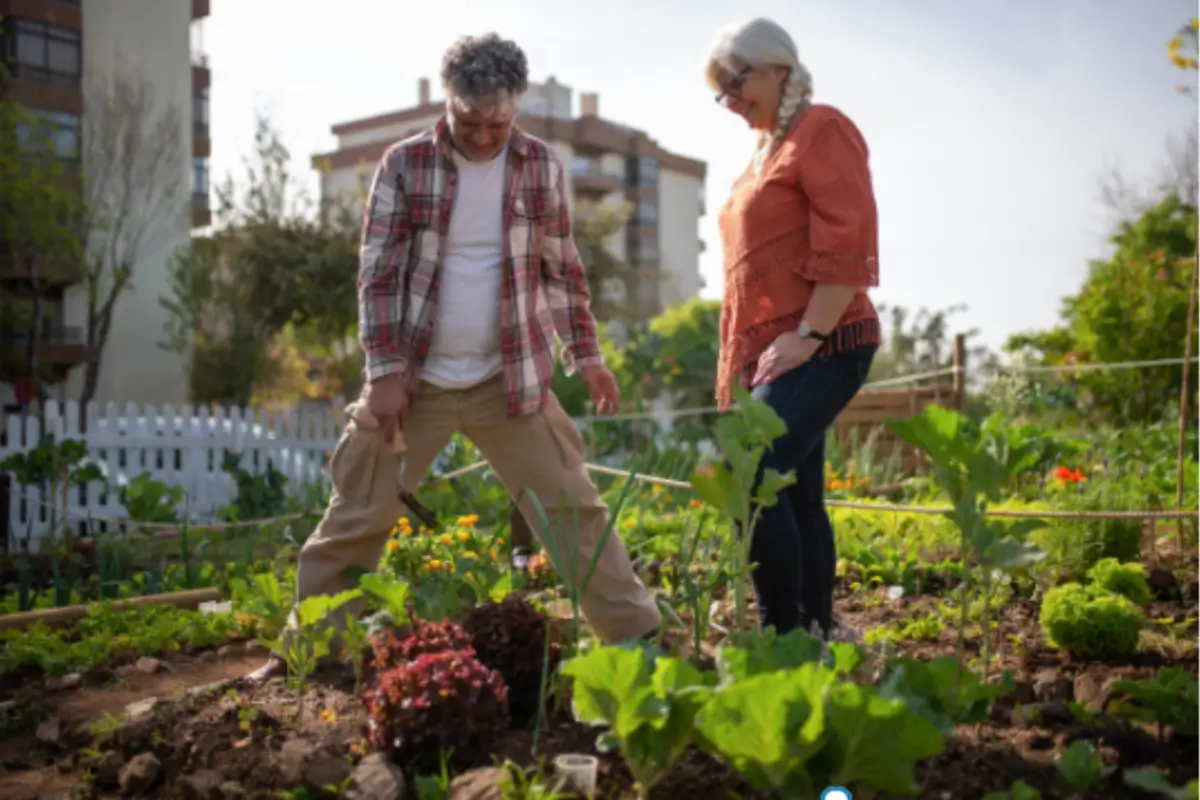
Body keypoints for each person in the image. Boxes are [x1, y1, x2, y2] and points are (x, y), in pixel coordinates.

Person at [248, 32, 662, 681]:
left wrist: (587, 354)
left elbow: (561, 271)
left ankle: (635, 636)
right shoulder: (405, 164)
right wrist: (384, 374)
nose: (483, 136)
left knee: (570, 509)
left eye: (497, 123)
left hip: (510, 380)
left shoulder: (540, 166)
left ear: (516, 105)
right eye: (469, 122)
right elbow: (378, 276)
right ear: (449, 103)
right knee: (360, 510)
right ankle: (308, 650)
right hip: (416, 383)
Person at [706, 18, 881, 640]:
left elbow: (848, 232)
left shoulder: (819, 128)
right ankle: (816, 633)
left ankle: (785, 637)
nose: (728, 100)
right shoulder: (764, 152)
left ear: (777, 67)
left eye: (736, 82)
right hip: (780, 351)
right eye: (718, 91)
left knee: (748, 472)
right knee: (795, 494)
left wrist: (807, 334)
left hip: (827, 341)